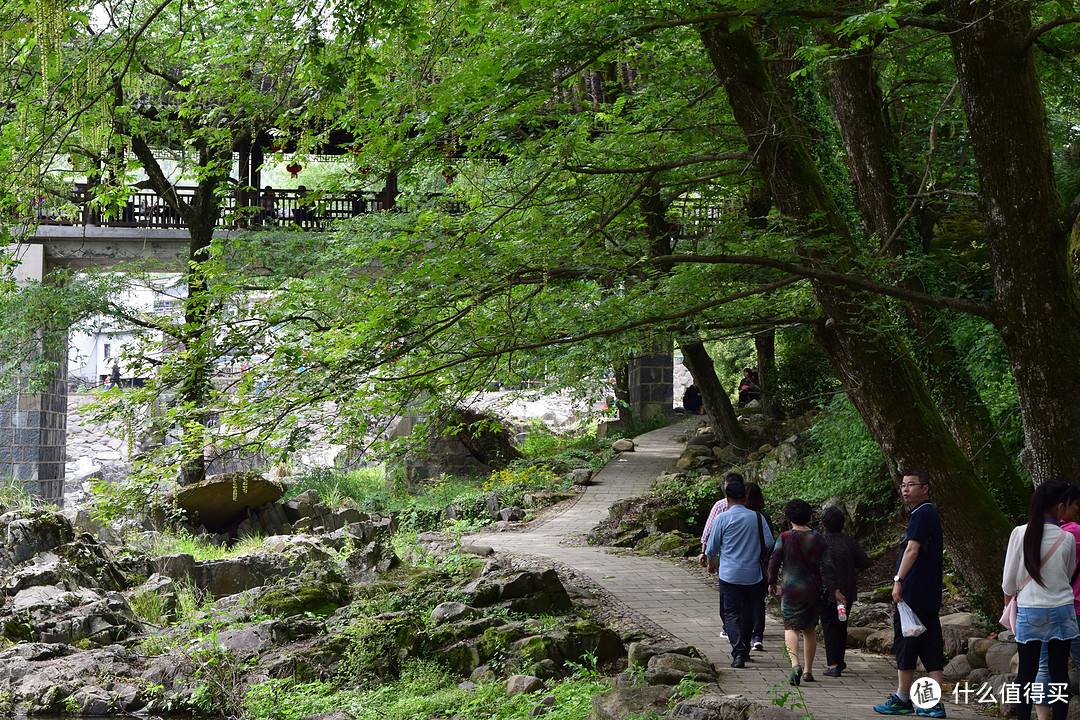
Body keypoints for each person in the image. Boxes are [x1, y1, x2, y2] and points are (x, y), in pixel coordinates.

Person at [1002, 478, 1080, 720]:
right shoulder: (1066, 538)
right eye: (1069, 504)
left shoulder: (1019, 533)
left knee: (1026, 671)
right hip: (1062, 610)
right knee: (1059, 672)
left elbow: (1008, 581)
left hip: (1030, 610)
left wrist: (1009, 606)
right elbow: (1066, 575)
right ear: (1059, 507)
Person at [874, 469, 947, 718]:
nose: (905, 489)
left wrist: (898, 580)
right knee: (930, 644)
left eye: (911, 485)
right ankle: (934, 703)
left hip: (913, 592)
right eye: (903, 485)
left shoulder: (921, 514)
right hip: (929, 592)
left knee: (907, 642)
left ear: (925, 488)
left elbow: (912, 551)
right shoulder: (927, 513)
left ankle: (903, 699)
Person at [705, 478, 773, 668]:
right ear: (744, 498)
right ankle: (743, 650)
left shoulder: (722, 518)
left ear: (727, 499)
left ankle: (738, 652)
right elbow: (768, 543)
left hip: (729, 574)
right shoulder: (757, 517)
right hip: (753, 574)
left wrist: (712, 562)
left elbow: (711, 547)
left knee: (732, 613)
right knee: (748, 612)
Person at [768, 498, 828, 685]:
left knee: (791, 627)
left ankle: (796, 665)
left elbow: (774, 561)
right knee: (810, 630)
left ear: (788, 516)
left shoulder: (785, 537)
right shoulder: (818, 537)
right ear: (809, 516)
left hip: (791, 589)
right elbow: (828, 565)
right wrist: (834, 588)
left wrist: (771, 582)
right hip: (812, 589)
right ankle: (809, 671)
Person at [1034, 487, 1080, 720]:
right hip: (1072, 607)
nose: (1076, 509)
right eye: (1073, 505)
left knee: (1043, 666)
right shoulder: (1073, 533)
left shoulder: (1031, 534)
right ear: (1060, 506)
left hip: (1040, 607)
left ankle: (1042, 717)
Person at [819, 505, 871, 677]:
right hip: (847, 591)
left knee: (829, 626)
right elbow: (864, 561)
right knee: (841, 626)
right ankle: (839, 661)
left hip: (826, 591)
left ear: (824, 524)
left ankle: (833, 665)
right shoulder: (849, 541)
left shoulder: (820, 541)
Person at [699, 474, 735, 639]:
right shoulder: (754, 511)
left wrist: (706, 554)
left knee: (727, 597)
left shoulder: (720, 507)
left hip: (727, 563)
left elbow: (709, 532)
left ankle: (729, 627)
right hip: (751, 566)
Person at [746, 482, 768, 652]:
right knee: (758, 601)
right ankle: (757, 635)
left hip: (737, 567)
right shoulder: (763, 517)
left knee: (740, 603)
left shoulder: (737, 516)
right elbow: (769, 543)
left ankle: (742, 637)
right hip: (759, 565)